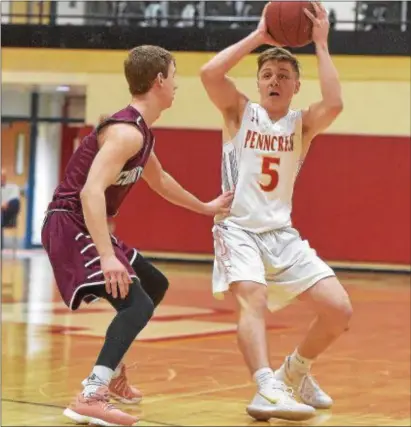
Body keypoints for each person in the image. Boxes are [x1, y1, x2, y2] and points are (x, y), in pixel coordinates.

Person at [42, 45, 233, 427]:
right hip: (69, 223)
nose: (177, 85)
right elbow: (90, 191)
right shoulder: (126, 133)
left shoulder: (141, 134)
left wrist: (206, 207)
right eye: (175, 76)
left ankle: (111, 377)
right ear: (159, 80)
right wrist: (107, 256)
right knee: (137, 305)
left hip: (81, 222)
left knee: (153, 284)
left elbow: (160, 181)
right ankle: (91, 393)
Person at [201, 2, 352, 422]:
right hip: (237, 228)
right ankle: (267, 387)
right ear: (258, 81)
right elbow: (210, 74)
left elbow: (335, 103)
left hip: (280, 232)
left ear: (295, 86)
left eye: (283, 75)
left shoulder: (301, 125)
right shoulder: (239, 113)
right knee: (254, 299)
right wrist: (259, 37)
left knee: (339, 311)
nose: (273, 80)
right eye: (266, 74)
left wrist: (321, 43)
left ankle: (295, 371)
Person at [1, 169, 21, 249]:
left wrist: (5, 204)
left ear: (5, 177)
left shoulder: (13, 187)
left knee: (15, 202)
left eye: (2, 176)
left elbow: (13, 203)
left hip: (8, 215)